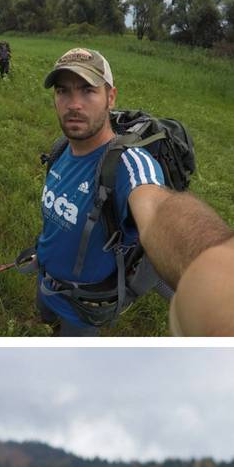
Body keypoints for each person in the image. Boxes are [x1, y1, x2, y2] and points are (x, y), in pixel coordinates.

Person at [33, 48, 233, 336]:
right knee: (45, 324)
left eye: (88, 90)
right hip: (45, 284)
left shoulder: (130, 164)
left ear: (110, 97)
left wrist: (215, 271)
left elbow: (156, 209)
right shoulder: (61, 148)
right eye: (63, 91)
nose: (73, 104)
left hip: (83, 309)